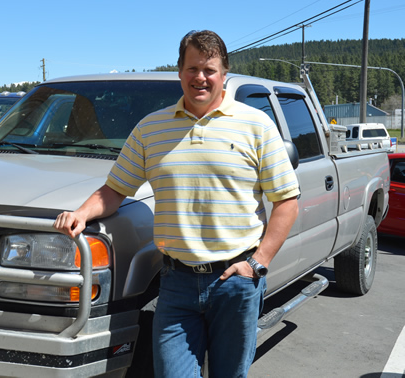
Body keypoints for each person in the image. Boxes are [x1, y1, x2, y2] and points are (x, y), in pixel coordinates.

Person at [53, 30, 300, 378]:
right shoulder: (150, 129)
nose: (201, 77)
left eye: (209, 69)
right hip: (176, 283)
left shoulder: (256, 126)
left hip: (235, 280)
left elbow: (287, 202)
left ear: (224, 73)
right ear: (180, 72)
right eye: (192, 68)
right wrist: (81, 213)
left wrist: (257, 264)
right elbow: (114, 190)